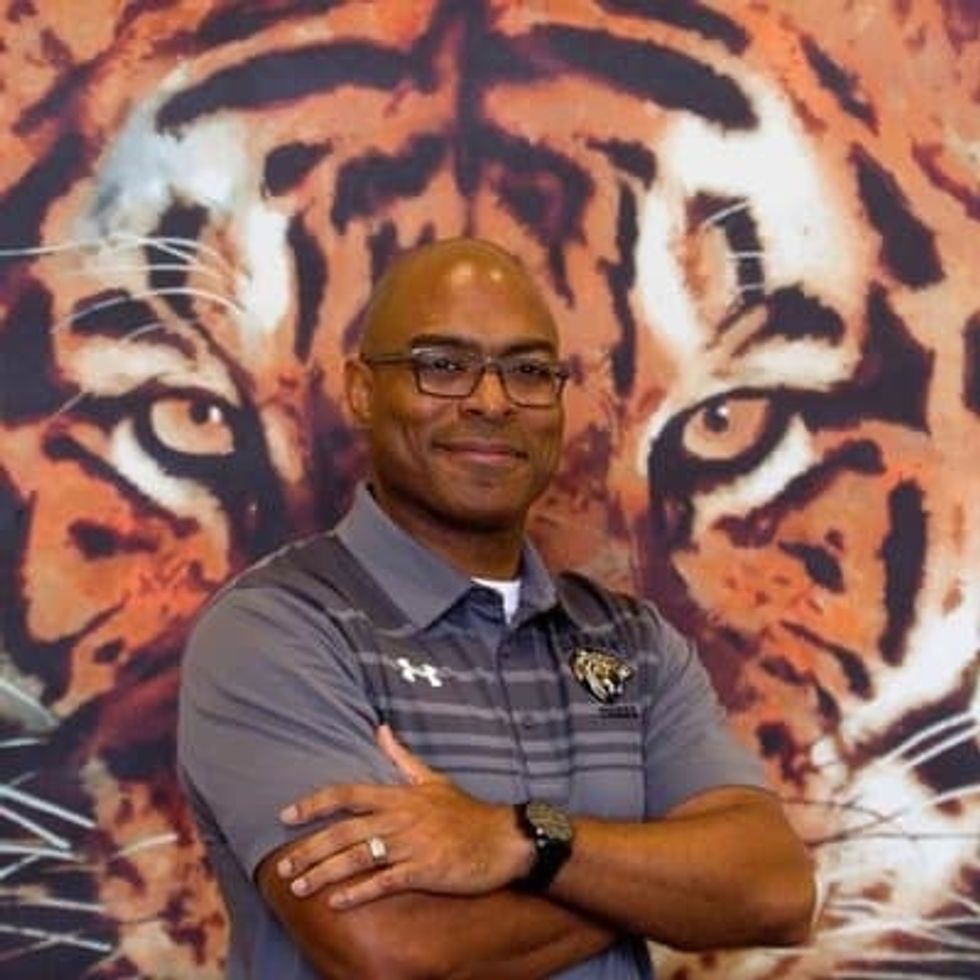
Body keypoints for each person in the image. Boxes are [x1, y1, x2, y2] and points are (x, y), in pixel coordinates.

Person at [177, 238, 815, 979]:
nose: (491, 401)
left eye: (528, 371)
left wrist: (519, 839)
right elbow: (392, 949)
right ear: (362, 391)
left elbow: (775, 891)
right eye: (443, 366)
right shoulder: (275, 630)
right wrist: (657, 884)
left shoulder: (633, 643)